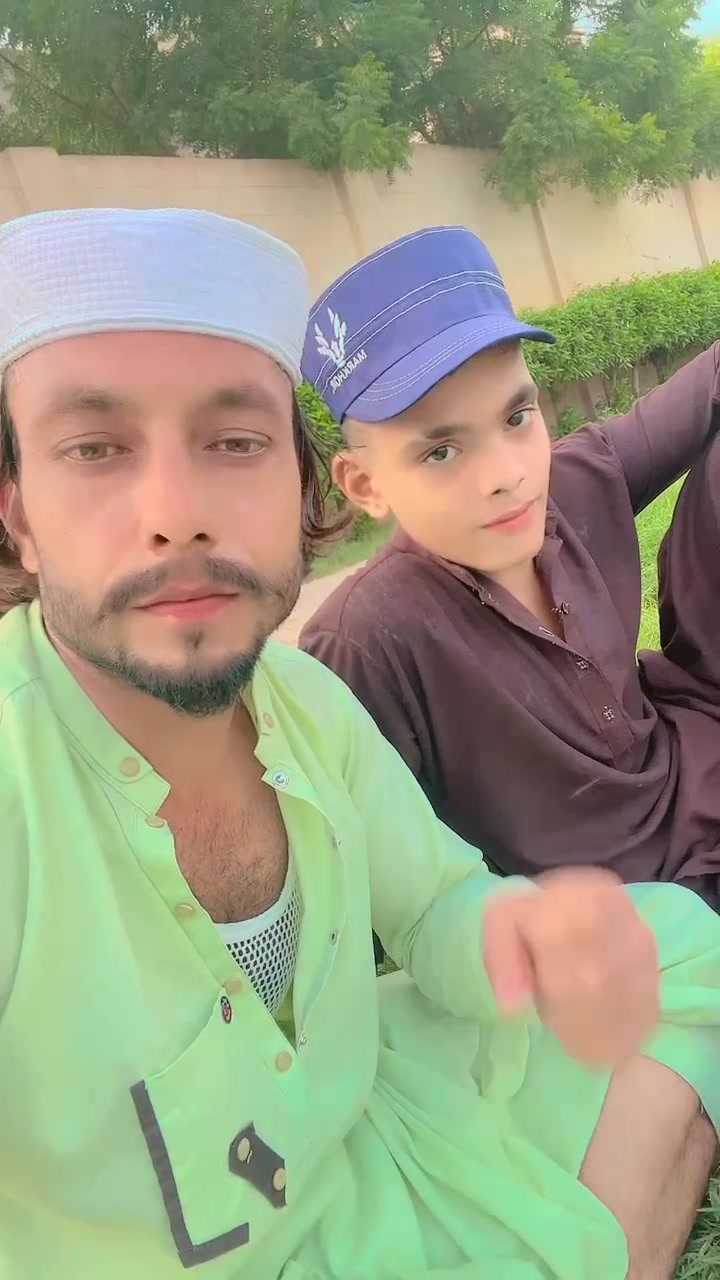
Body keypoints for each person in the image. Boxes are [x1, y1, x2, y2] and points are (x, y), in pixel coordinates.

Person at [0, 206, 718, 1280]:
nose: (177, 512)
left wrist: (526, 933)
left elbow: (434, 906)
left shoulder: (304, 701)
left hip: (377, 1125)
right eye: (95, 447)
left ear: (296, 485)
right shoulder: (25, 781)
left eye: (234, 440)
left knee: (677, 938)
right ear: (18, 510)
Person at [299, 225, 720, 909]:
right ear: (365, 485)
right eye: (441, 451)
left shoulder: (578, 482)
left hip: (700, 778)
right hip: (613, 921)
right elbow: (357, 878)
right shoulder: (366, 639)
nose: (507, 474)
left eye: (518, 416)